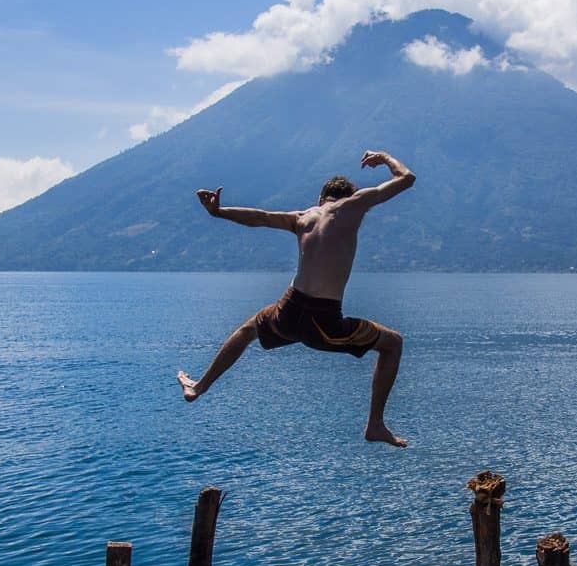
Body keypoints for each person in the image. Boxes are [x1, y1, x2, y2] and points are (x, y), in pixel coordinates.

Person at [177, 150, 416, 448]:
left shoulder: (302, 217)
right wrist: (383, 157)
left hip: (288, 312)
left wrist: (219, 212)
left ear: (320, 198)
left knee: (249, 329)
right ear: (348, 196)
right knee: (393, 344)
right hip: (323, 320)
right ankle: (375, 424)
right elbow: (407, 178)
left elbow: (260, 218)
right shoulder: (354, 205)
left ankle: (199, 386)